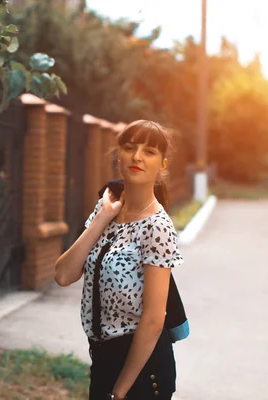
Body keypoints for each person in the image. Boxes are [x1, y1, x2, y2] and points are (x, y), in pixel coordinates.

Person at [54, 120, 184, 400]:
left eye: (149, 152)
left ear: (162, 163)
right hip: (101, 360)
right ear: (119, 155)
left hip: (141, 372)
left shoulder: (157, 226)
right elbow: (63, 275)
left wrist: (120, 391)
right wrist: (103, 217)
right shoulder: (106, 211)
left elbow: (153, 321)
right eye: (129, 148)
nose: (137, 156)